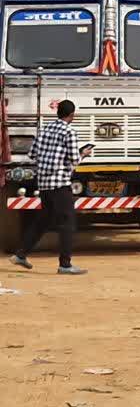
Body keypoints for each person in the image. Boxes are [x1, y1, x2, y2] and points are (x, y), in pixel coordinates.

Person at [9, 100, 92, 275]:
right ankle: (65, 265)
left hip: (44, 184)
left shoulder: (44, 129)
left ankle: (21, 254)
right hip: (60, 183)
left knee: (43, 221)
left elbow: (32, 154)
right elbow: (74, 160)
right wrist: (83, 154)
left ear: (58, 112)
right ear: (72, 115)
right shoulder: (69, 132)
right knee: (67, 223)